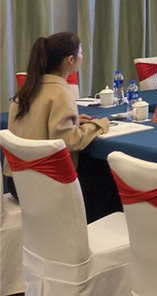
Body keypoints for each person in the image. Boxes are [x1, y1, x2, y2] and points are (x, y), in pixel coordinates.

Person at [4, 32, 116, 222]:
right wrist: (99, 125)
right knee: (107, 175)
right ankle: (92, 231)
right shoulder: (60, 92)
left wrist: (72, 120)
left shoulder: (27, 90)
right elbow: (70, 141)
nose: (82, 57)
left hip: (18, 182)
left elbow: (35, 121)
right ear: (71, 60)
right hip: (46, 185)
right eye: (81, 53)